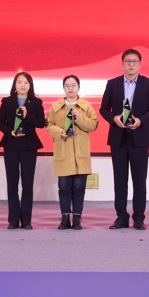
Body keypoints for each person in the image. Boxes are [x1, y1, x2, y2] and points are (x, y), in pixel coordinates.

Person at [100, 49, 149, 230]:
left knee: (139, 181)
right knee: (120, 181)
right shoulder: (112, 84)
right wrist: (114, 119)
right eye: (128, 61)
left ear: (140, 64)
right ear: (122, 64)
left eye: (134, 61)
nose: (131, 64)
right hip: (118, 138)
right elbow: (104, 109)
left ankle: (139, 218)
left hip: (139, 138)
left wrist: (140, 121)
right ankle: (121, 217)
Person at [46, 75, 99, 230]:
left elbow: (93, 125)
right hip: (63, 151)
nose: (70, 88)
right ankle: (64, 218)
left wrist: (79, 117)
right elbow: (49, 124)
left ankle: (76, 218)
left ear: (78, 87)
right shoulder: (56, 106)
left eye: (73, 85)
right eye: (67, 85)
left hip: (80, 154)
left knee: (79, 188)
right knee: (63, 188)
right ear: (64, 88)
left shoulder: (86, 106)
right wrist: (59, 132)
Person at [0, 72, 45, 229]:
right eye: (19, 82)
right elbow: (0, 122)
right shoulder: (7, 101)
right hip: (11, 145)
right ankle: (13, 220)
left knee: (27, 185)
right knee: (12, 184)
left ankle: (26, 220)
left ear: (30, 85)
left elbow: (41, 123)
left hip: (29, 146)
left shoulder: (36, 102)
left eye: (26, 82)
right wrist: (10, 131)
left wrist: (26, 116)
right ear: (15, 85)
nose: (23, 85)